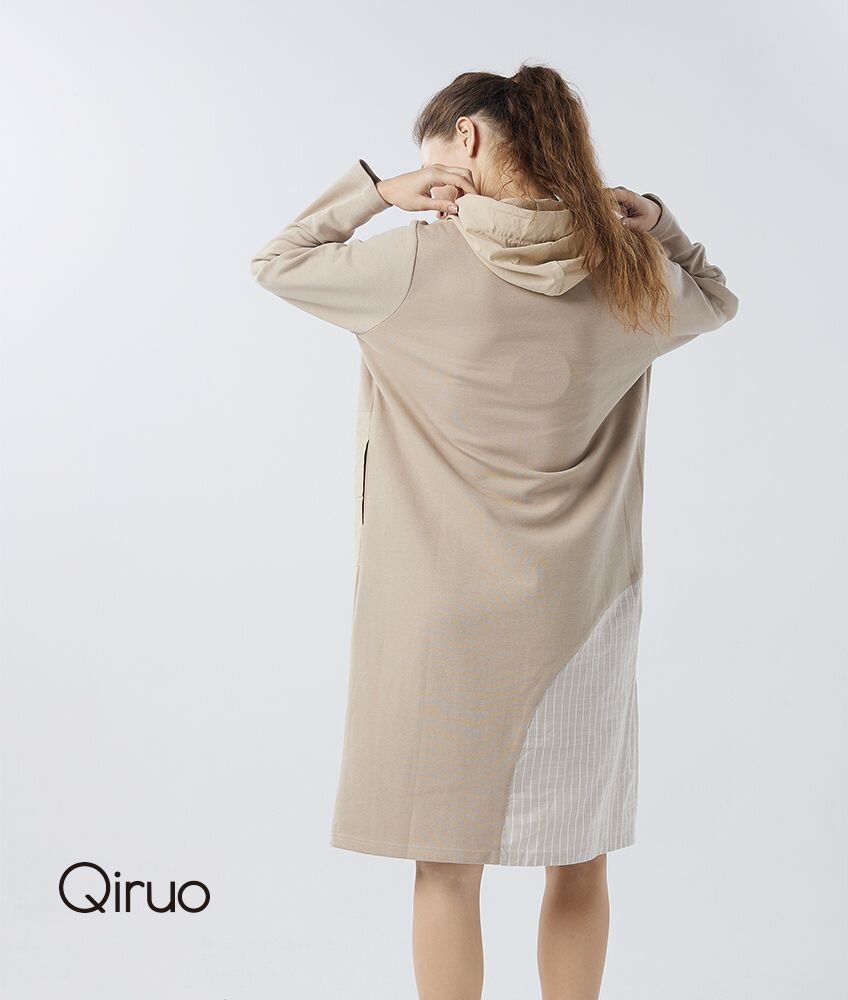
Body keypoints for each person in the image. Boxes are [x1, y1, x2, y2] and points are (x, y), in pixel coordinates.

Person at [251, 61, 738, 1000]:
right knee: (579, 859)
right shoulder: (631, 273)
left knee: (445, 868)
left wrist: (378, 193)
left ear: (465, 140)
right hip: (581, 620)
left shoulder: (411, 263)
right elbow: (716, 298)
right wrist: (654, 222)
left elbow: (277, 261)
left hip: (439, 619)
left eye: (433, 156)